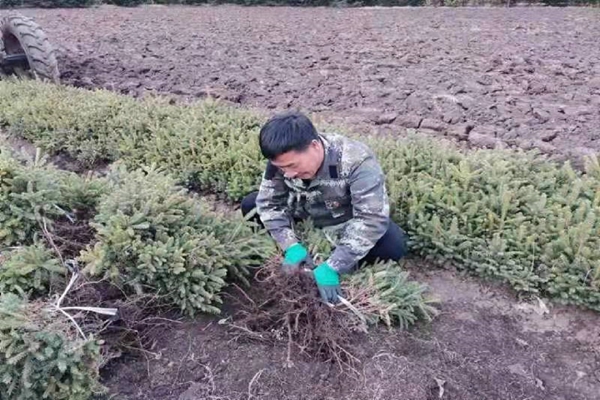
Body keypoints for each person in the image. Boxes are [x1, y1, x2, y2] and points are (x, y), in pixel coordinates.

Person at [241, 111, 408, 304]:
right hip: (303, 215)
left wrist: (335, 265)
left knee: (392, 244)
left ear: (314, 146)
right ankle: (299, 254)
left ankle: (335, 262)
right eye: (282, 168)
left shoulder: (356, 161)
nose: (288, 174)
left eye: (293, 166)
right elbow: (268, 203)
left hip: (342, 222)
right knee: (251, 205)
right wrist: (290, 245)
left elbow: (371, 219)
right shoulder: (282, 162)